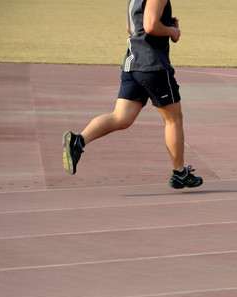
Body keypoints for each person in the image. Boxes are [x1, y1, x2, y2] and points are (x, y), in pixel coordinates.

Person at [62, 0, 203, 189]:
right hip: (153, 67)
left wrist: (165, 24)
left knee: (121, 118)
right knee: (173, 120)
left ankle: (79, 141)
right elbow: (151, 26)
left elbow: (131, 27)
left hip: (132, 64)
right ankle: (179, 173)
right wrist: (171, 31)